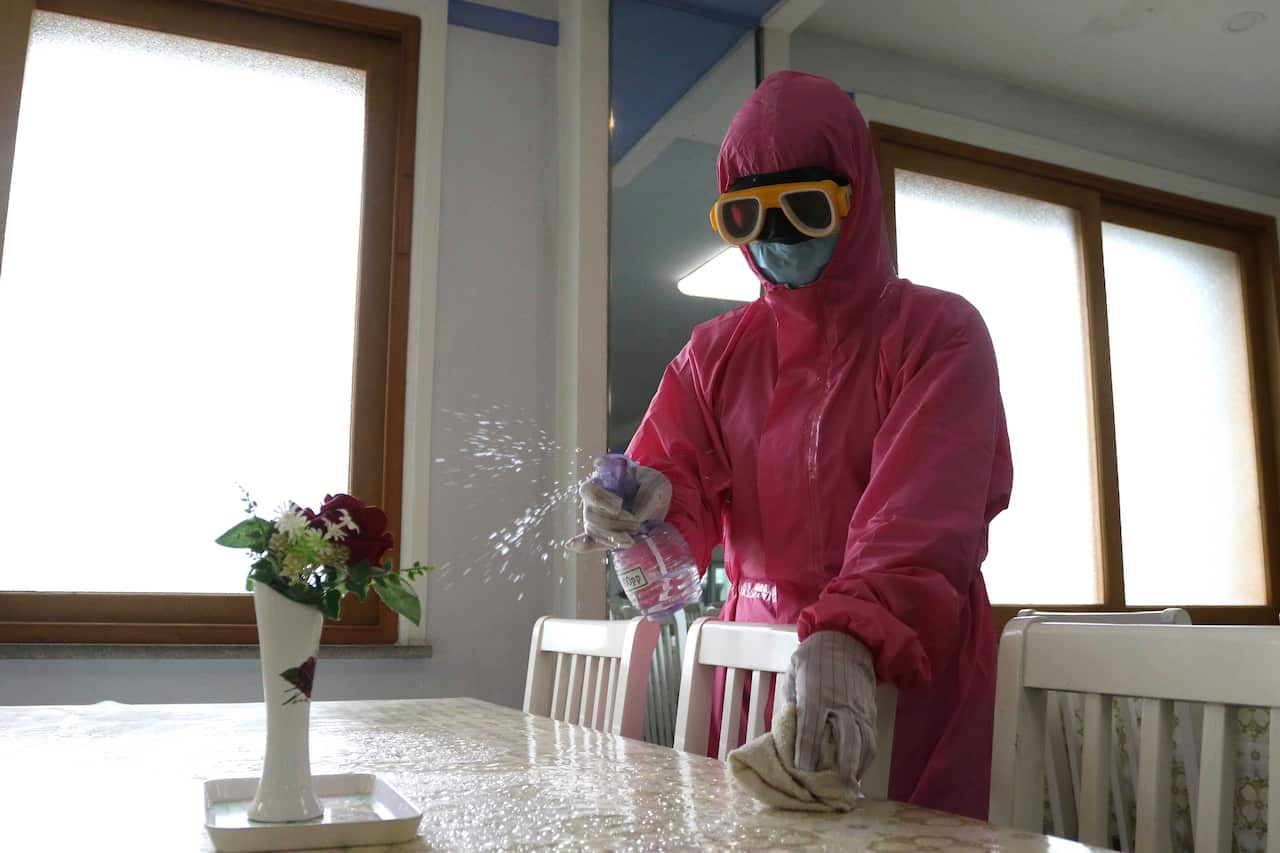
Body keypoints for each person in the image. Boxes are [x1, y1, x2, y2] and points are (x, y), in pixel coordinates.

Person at [572, 70, 1013, 820]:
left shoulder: (939, 335)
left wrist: (851, 630)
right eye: (746, 216)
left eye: (803, 210)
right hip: (759, 674)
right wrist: (640, 518)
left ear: (856, 198)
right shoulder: (713, 356)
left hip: (909, 672)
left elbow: (921, 517)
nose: (773, 238)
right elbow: (674, 517)